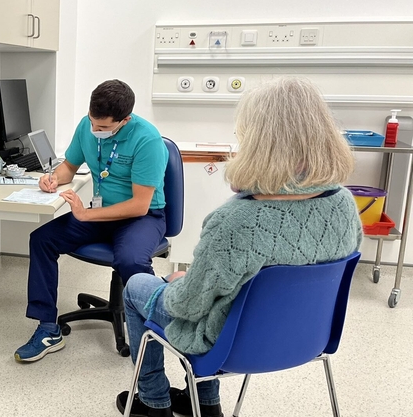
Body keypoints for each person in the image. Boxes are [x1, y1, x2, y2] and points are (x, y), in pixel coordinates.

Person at [116, 77, 363, 417]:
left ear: (258, 142)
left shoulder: (236, 221)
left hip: (229, 345)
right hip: (307, 339)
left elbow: (190, 305)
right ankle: (204, 403)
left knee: (135, 286)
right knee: (226, 295)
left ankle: (153, 401)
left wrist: (177, 285)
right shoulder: (345, 204)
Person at [15, 79, 169, 362]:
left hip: (143, 217)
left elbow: (139, 205)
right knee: (42, 239)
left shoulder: (148, 140)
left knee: (131, 261)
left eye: (104, 127)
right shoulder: (86, 127)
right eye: (92, 122)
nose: (96, 131)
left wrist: (86, 215)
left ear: (125, 120)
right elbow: (69, 167)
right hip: (101, 213)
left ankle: (151, 335)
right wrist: (51, 180)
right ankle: (48, 327)